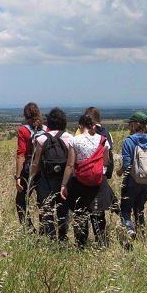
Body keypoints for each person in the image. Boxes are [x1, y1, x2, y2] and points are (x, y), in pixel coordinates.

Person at [60, 115, 110, 248]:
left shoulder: (75, 141)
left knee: (80, 214)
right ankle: (102, 243)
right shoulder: (103, 140)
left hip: (79, 182)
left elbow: (70, 165)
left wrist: (64, 184)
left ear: (80, 126)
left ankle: (81, 244)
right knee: (98, 214)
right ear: (93, 125)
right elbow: (105, 162)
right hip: (99, 182)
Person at [116, 112, 147, 241]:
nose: (128, 127)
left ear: (136, 125)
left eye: (130, 124)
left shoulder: (128, 142)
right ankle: (141, 236)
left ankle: (129, 231)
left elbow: (127, 165)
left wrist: (119, 172)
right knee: (140, 209)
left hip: (131, 182)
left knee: (125, 210)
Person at [29, 107, 72, 242]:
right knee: (63, 212)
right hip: (64, 181)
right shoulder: (70, 138)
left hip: (46, 181)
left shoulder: (41, 139)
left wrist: (31, 178)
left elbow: (36, 163)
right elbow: (72, 163)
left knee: (46, 211)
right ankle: (63, 239)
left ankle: (51, 240)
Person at [83, 106, 119, 246]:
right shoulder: (106, 133)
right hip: (101, 175)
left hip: (85, 175)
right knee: (98, 211)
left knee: (85, 209)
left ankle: (82, 242)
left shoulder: (81, 130)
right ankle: (102, 241)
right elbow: (109, 152)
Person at [14, 102, 46, 229]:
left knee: (21, 202)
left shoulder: (23, 130)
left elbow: (20, 154)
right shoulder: (46, 130)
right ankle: (45, 230)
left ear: (25, 116)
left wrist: (18, 177)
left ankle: (30, 231)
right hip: (44, 170)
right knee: (43, 202)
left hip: (28, 169)